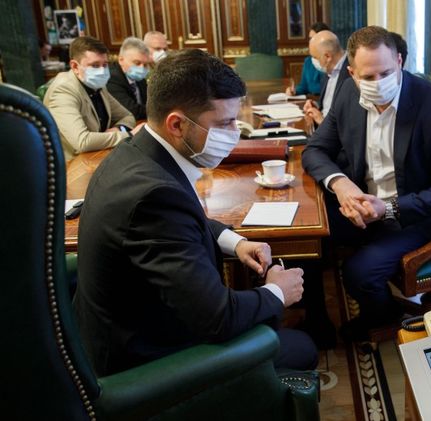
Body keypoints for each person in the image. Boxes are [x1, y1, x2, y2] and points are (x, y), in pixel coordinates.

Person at [73, 49, 317, 376]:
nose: (235, 132)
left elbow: (181, 222)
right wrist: (276, 292)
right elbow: (218, 319)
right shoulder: (154, 197)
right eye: (225, 123)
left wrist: (236, 242)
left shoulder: (135, 154)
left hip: (127, 323)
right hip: (143, 359)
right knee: (302, 347)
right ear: (176, 124)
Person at [301, 26, 431, 341]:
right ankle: (317, 324)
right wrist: (342, 185)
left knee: (359, 274)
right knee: (308, 236)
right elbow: (314, 150)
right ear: (352, 74)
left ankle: (384, 317)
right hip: (362, 203)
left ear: (399, 61)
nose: (378, 83)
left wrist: (387, 208)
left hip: (415, 215)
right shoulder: (348, 94)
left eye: (386, 73)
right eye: (368, 77)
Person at [44, 36, 137, 160]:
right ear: (75, 66)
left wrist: (118, 128)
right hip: (72, 164)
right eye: (95, 65)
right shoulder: (63, 90)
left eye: (105, 65)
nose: (102, 71)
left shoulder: (97, 85)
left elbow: (127, 116)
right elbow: (82, 141)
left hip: (97, 155)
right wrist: (127, 134)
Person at [301, 30, 350, 127]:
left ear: (327, 56)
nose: (313, 62)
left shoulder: (352, 71)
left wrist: (323, 121)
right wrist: (315, 105)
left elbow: (349, 120)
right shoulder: (328, 69)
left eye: (315, 57)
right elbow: (328, 105)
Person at [107, 37, 150, 120]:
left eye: (145, 65)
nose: (142, 68)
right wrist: (158, 111)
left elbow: (149, 102)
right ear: (121, 60)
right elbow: (131, 111)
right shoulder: (111, 78)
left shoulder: (140, 78)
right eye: (137, 63)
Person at [286, 22, 329, 96]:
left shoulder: (331, 60)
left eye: (314, 38)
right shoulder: (308, 61)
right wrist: (294, 91)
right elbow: (303, 87)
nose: (310, 42)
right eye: (310, 38)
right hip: (311, 99)